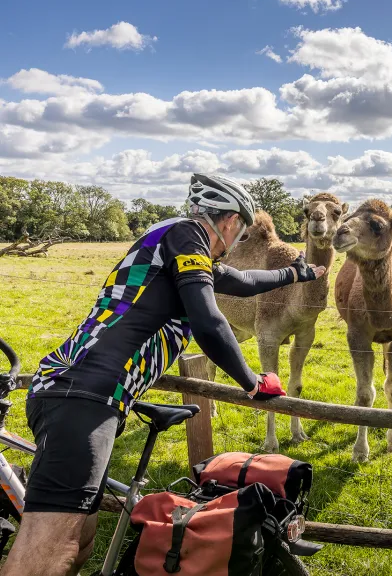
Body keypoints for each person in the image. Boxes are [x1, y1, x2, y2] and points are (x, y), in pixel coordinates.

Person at [3, 173, 326, 576]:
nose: (237, 242)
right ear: (229, 222)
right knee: (48, 548)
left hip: (84, 393)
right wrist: (253, 382)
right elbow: (209, 322)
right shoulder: (187, 234)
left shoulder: (180, 254)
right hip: (85, 394)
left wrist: (298, 274)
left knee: (80, 539)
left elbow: (242, 282)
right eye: (240, 232)